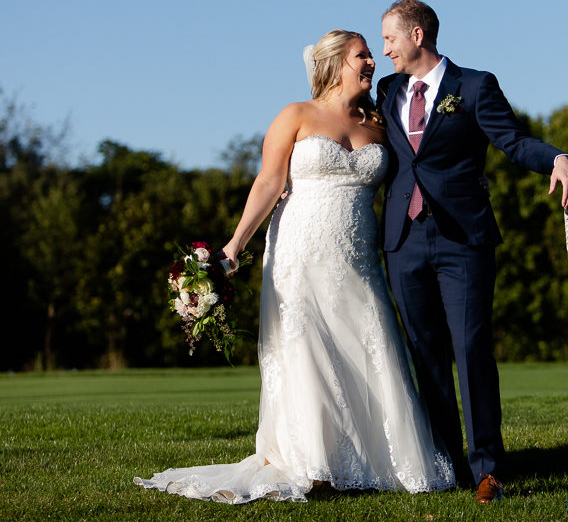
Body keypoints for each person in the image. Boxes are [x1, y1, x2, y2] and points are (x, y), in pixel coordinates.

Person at [134, 30, 455, 503]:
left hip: (358, 256)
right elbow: (268, 181)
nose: (373, 62)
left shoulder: (380, 124)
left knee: (367, 345)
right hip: (297, 251)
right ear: (334, 63)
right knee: (305, 351)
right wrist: (234, 245)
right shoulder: (296, 115)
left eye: (371, 54)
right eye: (362, 55)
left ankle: (378, 459)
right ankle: (314, 464)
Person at [377, 0, 568, 504]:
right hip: (403, 241)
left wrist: (557, 156)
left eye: (390, 39)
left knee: (470, 350)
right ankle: (446, 463)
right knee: (426, 356)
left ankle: (488, 468)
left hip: (462, 239)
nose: (385, 51)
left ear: (417, 35)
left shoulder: (474, 86)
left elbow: (512, 141)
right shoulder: (386, 91)